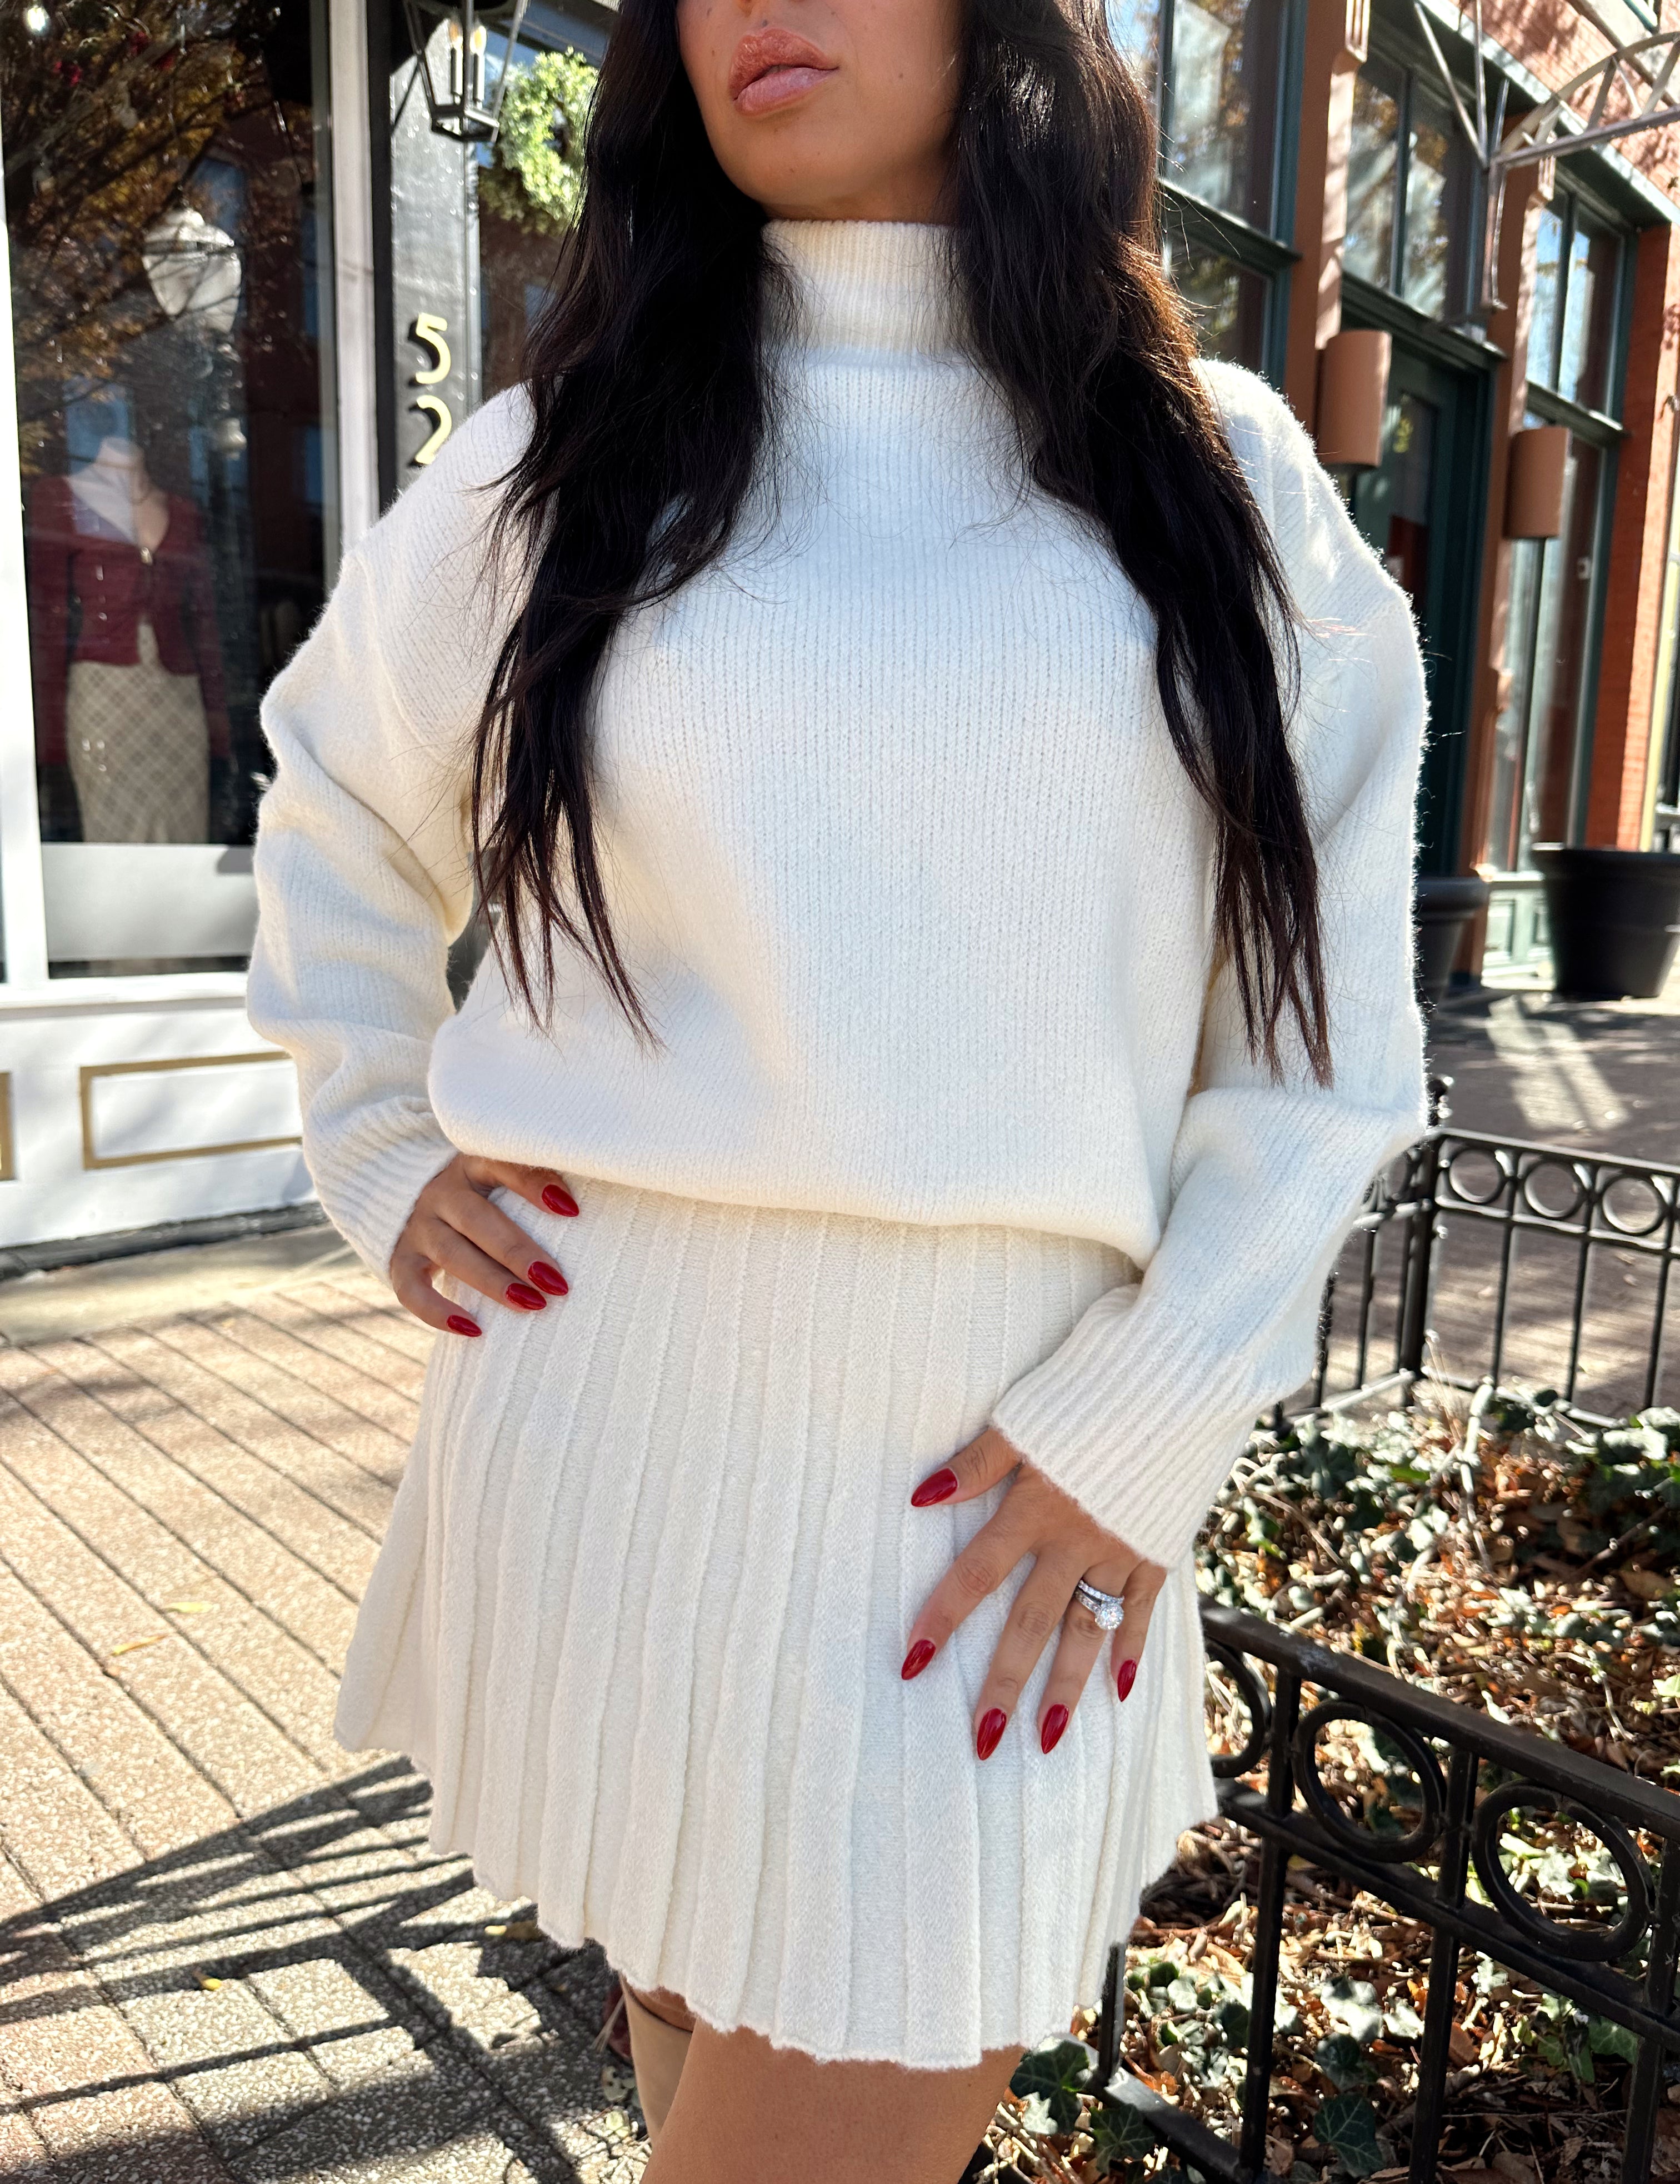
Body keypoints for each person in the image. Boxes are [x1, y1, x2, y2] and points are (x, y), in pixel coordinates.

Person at [247, 1, 1429, 2176]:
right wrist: (382, 1135)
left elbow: (1323, 1045)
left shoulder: (1220, 478)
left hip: (987, 1519)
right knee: (691, 2028)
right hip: (602, 1448)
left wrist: (1152, 1412)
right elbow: (337, 799)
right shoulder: (563, 463)